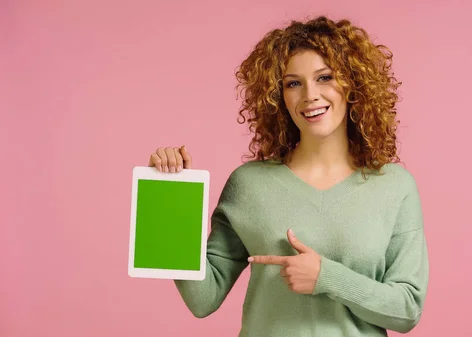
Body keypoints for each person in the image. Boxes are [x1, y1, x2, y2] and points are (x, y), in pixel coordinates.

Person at [147, 16, 429, 337]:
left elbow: (407, 310)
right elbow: (203, 300)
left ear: (353, 84)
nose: (310, 94)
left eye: (325, 77)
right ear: (278, 96)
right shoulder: (248, 185)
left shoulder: (394, 186)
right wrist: (168, 195)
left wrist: (327, 278)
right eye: (293, 83)